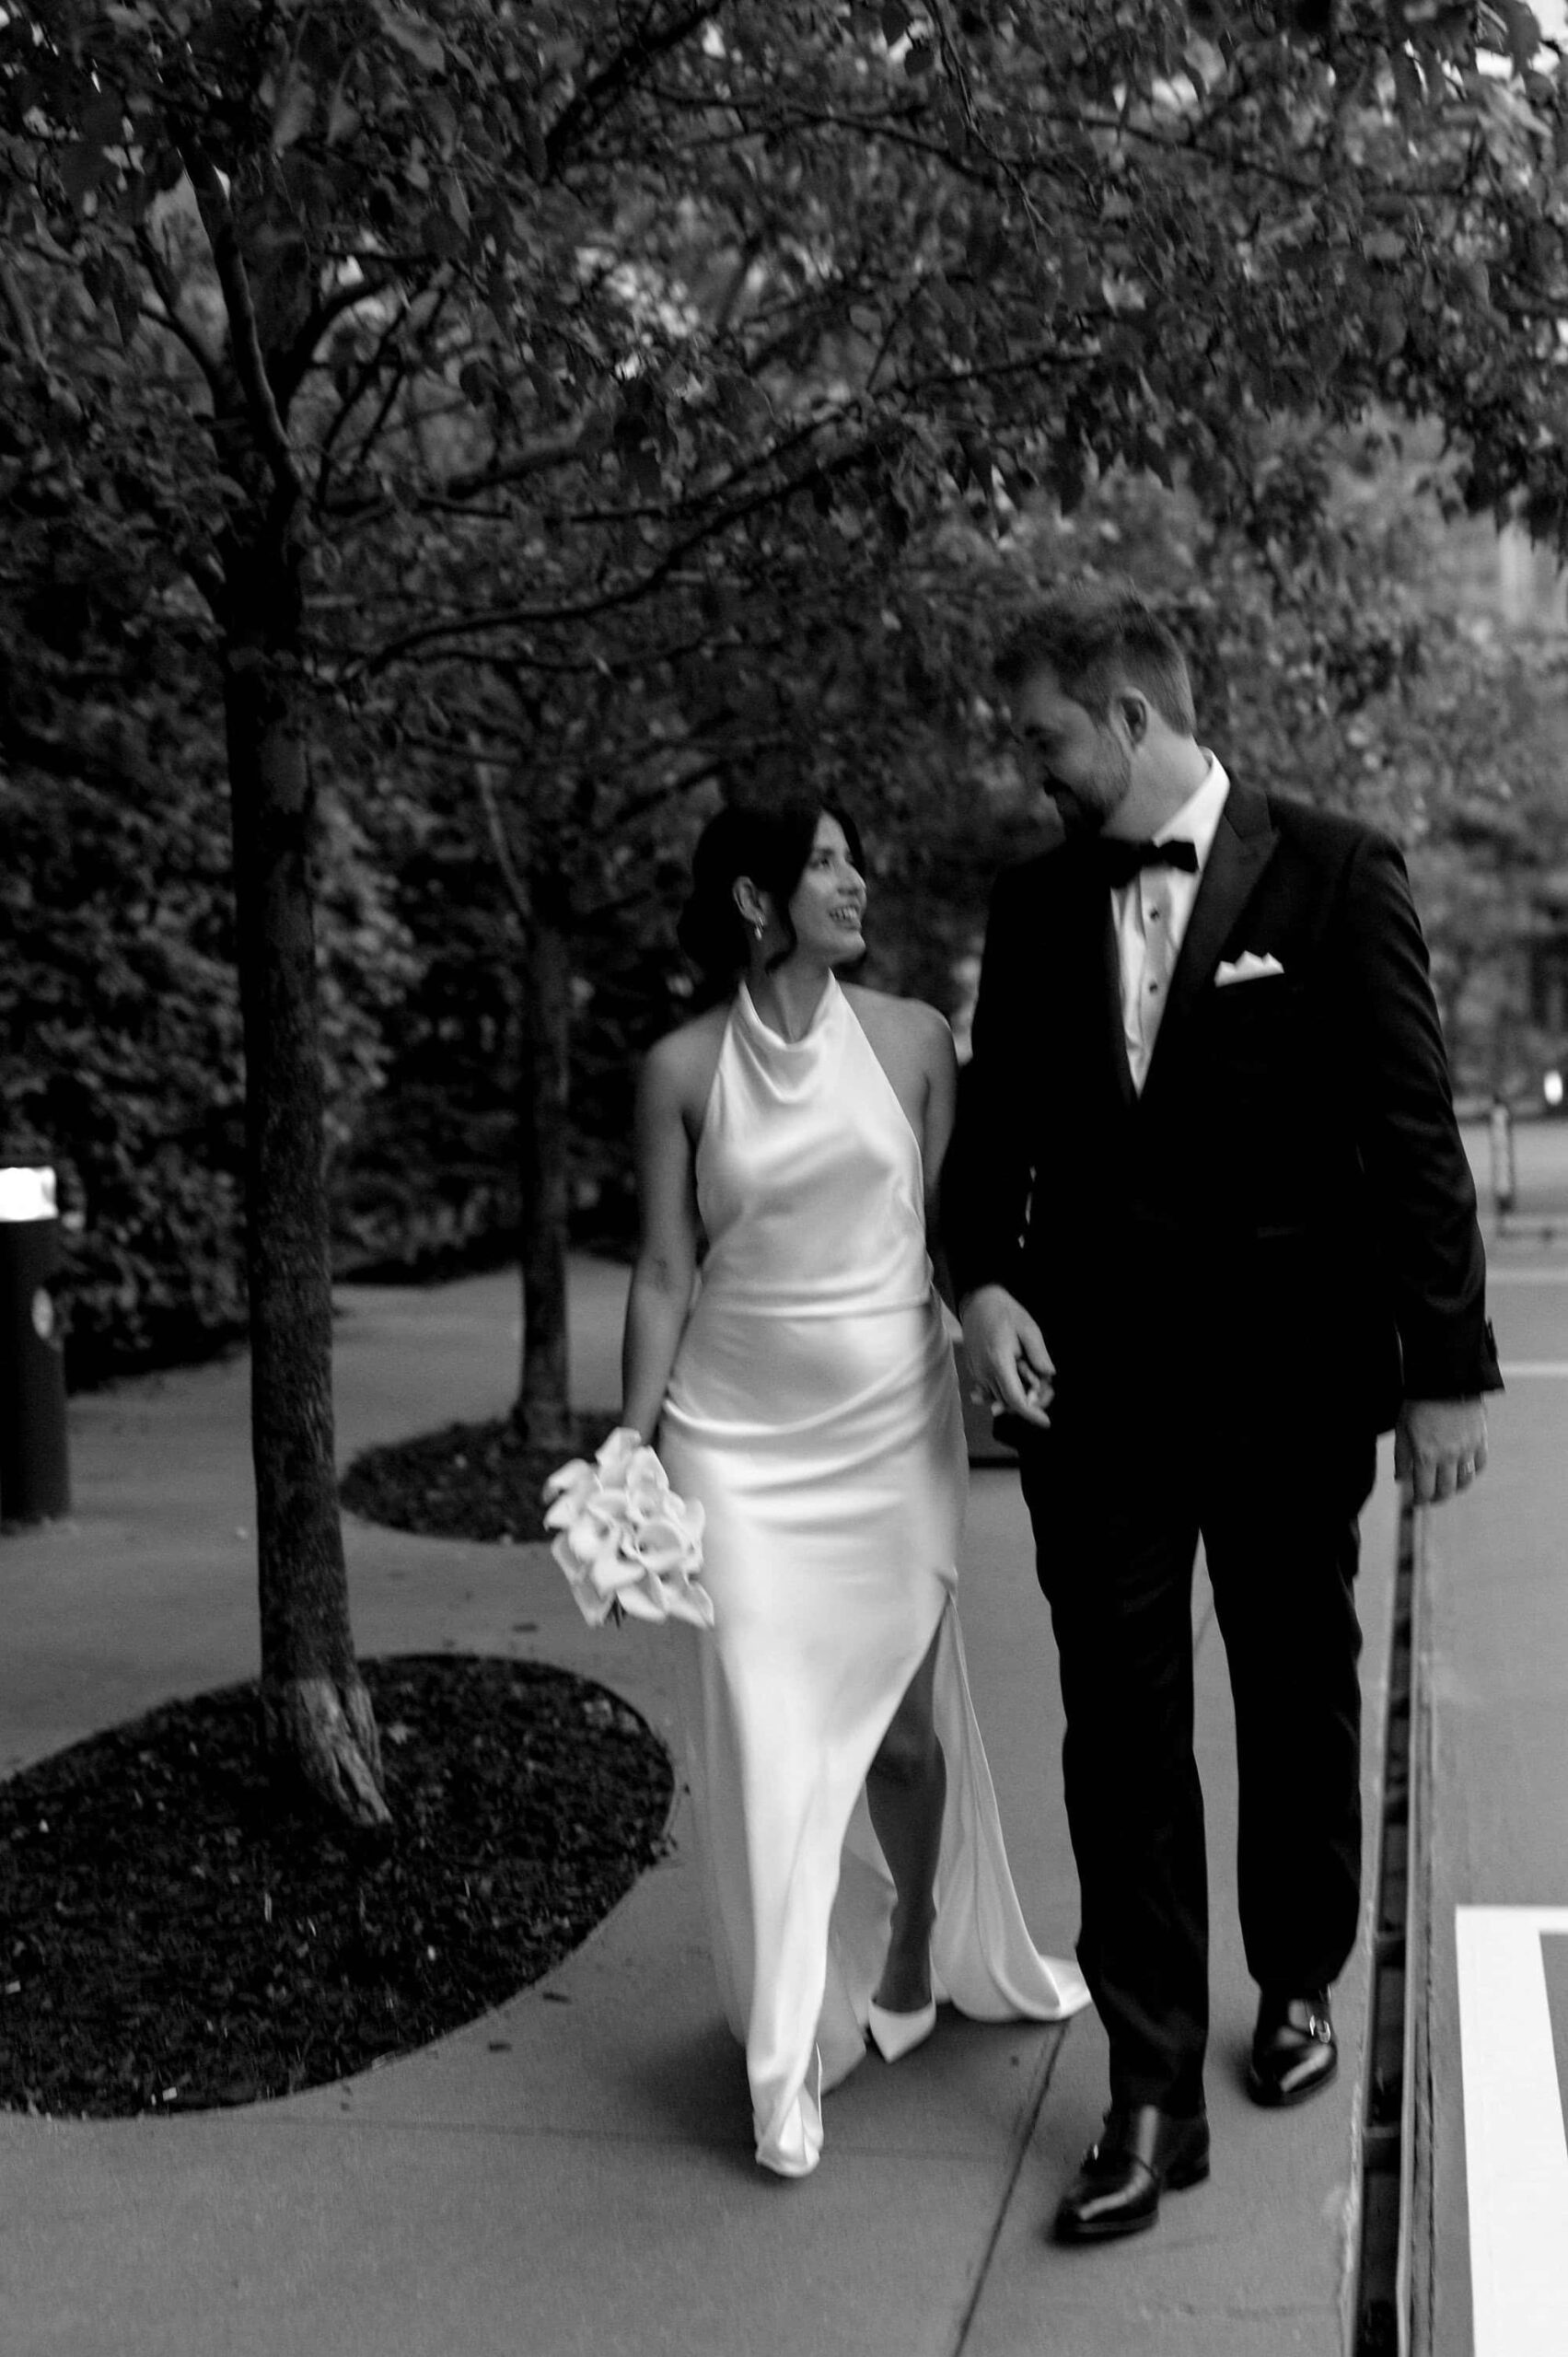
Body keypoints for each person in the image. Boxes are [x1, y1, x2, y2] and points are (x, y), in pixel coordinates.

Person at [942, 583, 1501, 2244]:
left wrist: (1448, 1364)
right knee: (1117, 1735)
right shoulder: (1033, 906)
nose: (1030, 767)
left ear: (1128, 718)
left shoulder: (1334, 871)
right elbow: (992, 1149)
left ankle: (1303, 1975)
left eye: (1046, 737)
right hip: (1096, 1400)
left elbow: (1411, 1130)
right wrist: (977, 1285)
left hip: (1289, 1388)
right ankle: (1149, 2090)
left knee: (1293, 1691)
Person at [620, 795, 1088, 2179]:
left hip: (888, 1425)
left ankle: (912, 1953)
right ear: (758, 900)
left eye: (854, 858)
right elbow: (663, 1271)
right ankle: (783, 2063)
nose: (857, 879)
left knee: (900, 1745)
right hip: (733, 1442)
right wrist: (629, 1451)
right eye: (824, 863)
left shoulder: (916, 1042)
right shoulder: (678, 1071)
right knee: (768, 1741)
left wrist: (993, 1329)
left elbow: (949, 1238)